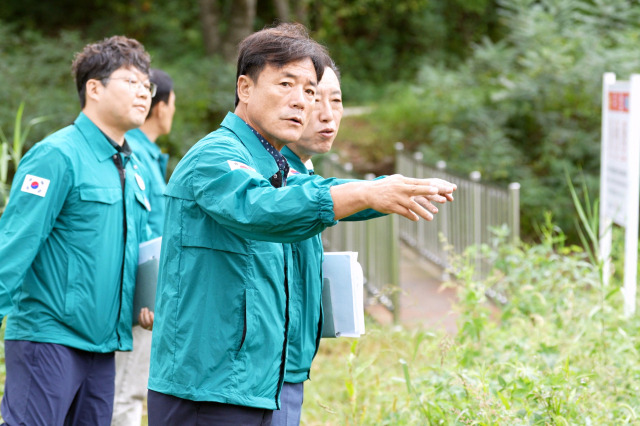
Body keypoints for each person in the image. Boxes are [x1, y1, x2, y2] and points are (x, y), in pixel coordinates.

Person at [147, 23, 456, 425]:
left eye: (309, 90)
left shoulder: (273, 162)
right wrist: (366, 193)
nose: (301, 102)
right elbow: (262, 207)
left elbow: (315, 190)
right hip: (209, 388)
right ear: (245, 88)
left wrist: (385, 191)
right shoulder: (216, 156)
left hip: (258, 382)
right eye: (286, 84)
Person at [274, 62, 453, 425]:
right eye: (312, 97)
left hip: (287, 361)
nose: (327, 114)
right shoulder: (273, 172)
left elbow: (325, 191)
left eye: (336, 100)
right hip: (265, 366)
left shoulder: (301, 169)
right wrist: (374, 192)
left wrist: (384, 191)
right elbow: (318, 195)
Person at [0, 35, 155, 425]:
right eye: (131, 82)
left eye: (147, 85)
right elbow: (14, 245)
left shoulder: (131, 167)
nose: (143, 94)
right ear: (94, 88)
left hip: (103, 348)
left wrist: (144, 302)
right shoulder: (57, 155)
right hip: (49, 339)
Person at [112, 68, 176, 426]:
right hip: (140, 299)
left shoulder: (147, 156)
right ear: (161, 106)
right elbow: (142, 234)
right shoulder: (134, 155)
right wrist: (146, 297)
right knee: (126, 393)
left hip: (145, 296)